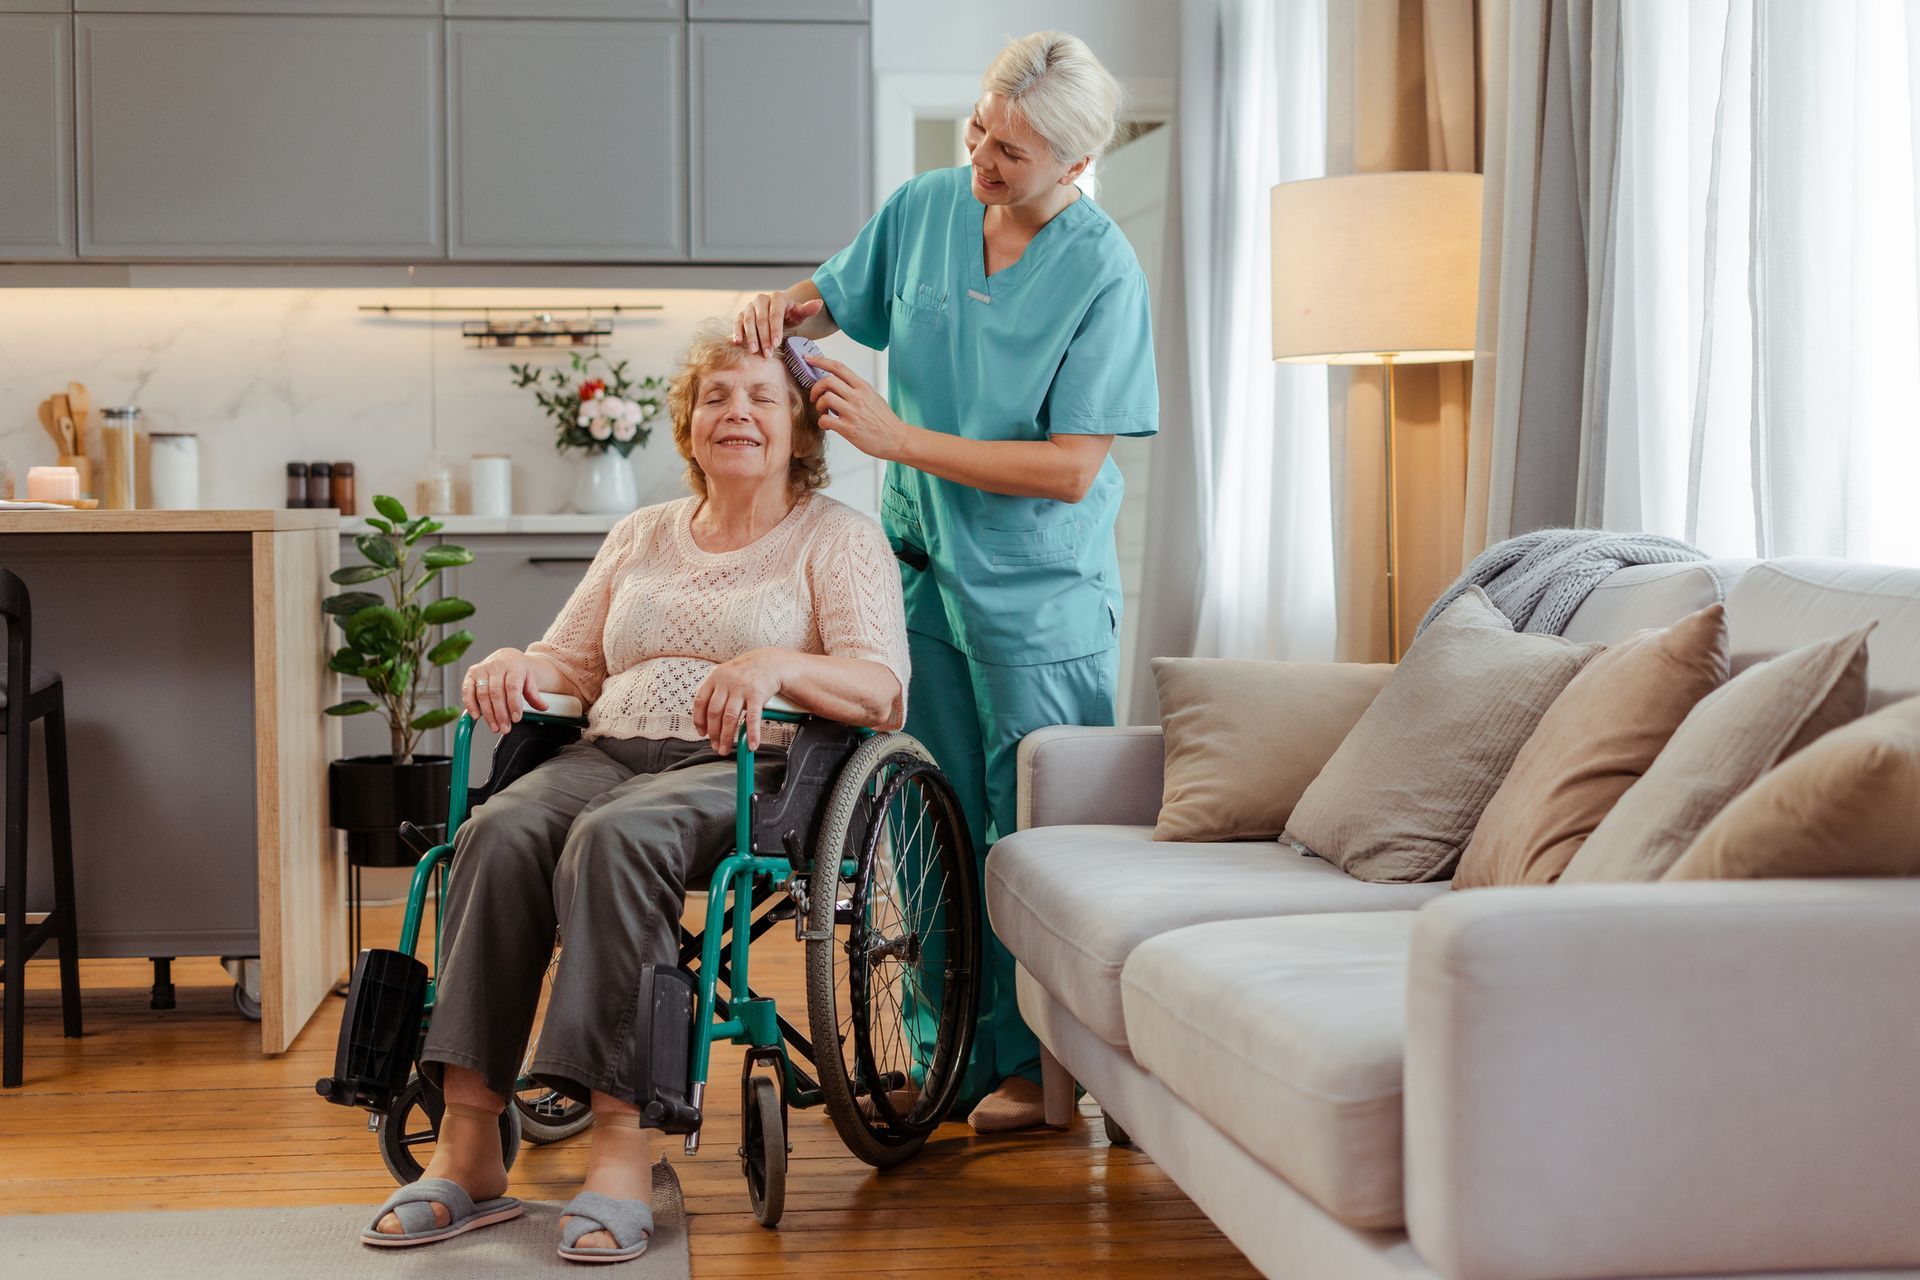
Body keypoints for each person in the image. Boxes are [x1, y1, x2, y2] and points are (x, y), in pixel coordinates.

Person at [359, 326, 909, 1262]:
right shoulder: (641, 533)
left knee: (616, 837)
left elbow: (883, 689)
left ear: (799, 430)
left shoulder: (838, 540)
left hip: (747, 765)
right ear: (690, 427)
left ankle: (619, 1142)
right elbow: (569, 660)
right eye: (716, 398)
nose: (735, 411)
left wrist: (773, 664)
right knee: (500, 828)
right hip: (608, 747)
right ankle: (467, 1141)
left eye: (761, 398)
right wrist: (513, 665)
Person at [733, 31, 1158, 1133]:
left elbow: (1073, 467)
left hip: (1037, 594)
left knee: (1034, 839)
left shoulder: (1104, 271)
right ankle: (950, 1053)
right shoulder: (928, 207)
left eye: (1010, 151)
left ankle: (1046, 1074)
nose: (982, 156)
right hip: (919, 573)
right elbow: (832, 298)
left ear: (1071, 164)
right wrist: (775, 312)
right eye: (980, 127)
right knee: (924, 825)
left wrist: (897, 436)